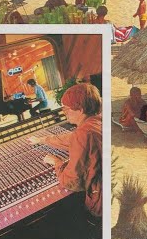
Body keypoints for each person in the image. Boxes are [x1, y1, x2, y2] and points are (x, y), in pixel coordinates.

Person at [31, 82, 104, 217]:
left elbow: (72, 181)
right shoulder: (97, 121)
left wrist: (57, 162)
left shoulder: (83, 134)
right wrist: (43, 139)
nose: (64, 113)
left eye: (66, 109)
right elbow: (70, 138)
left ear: (80, 110)